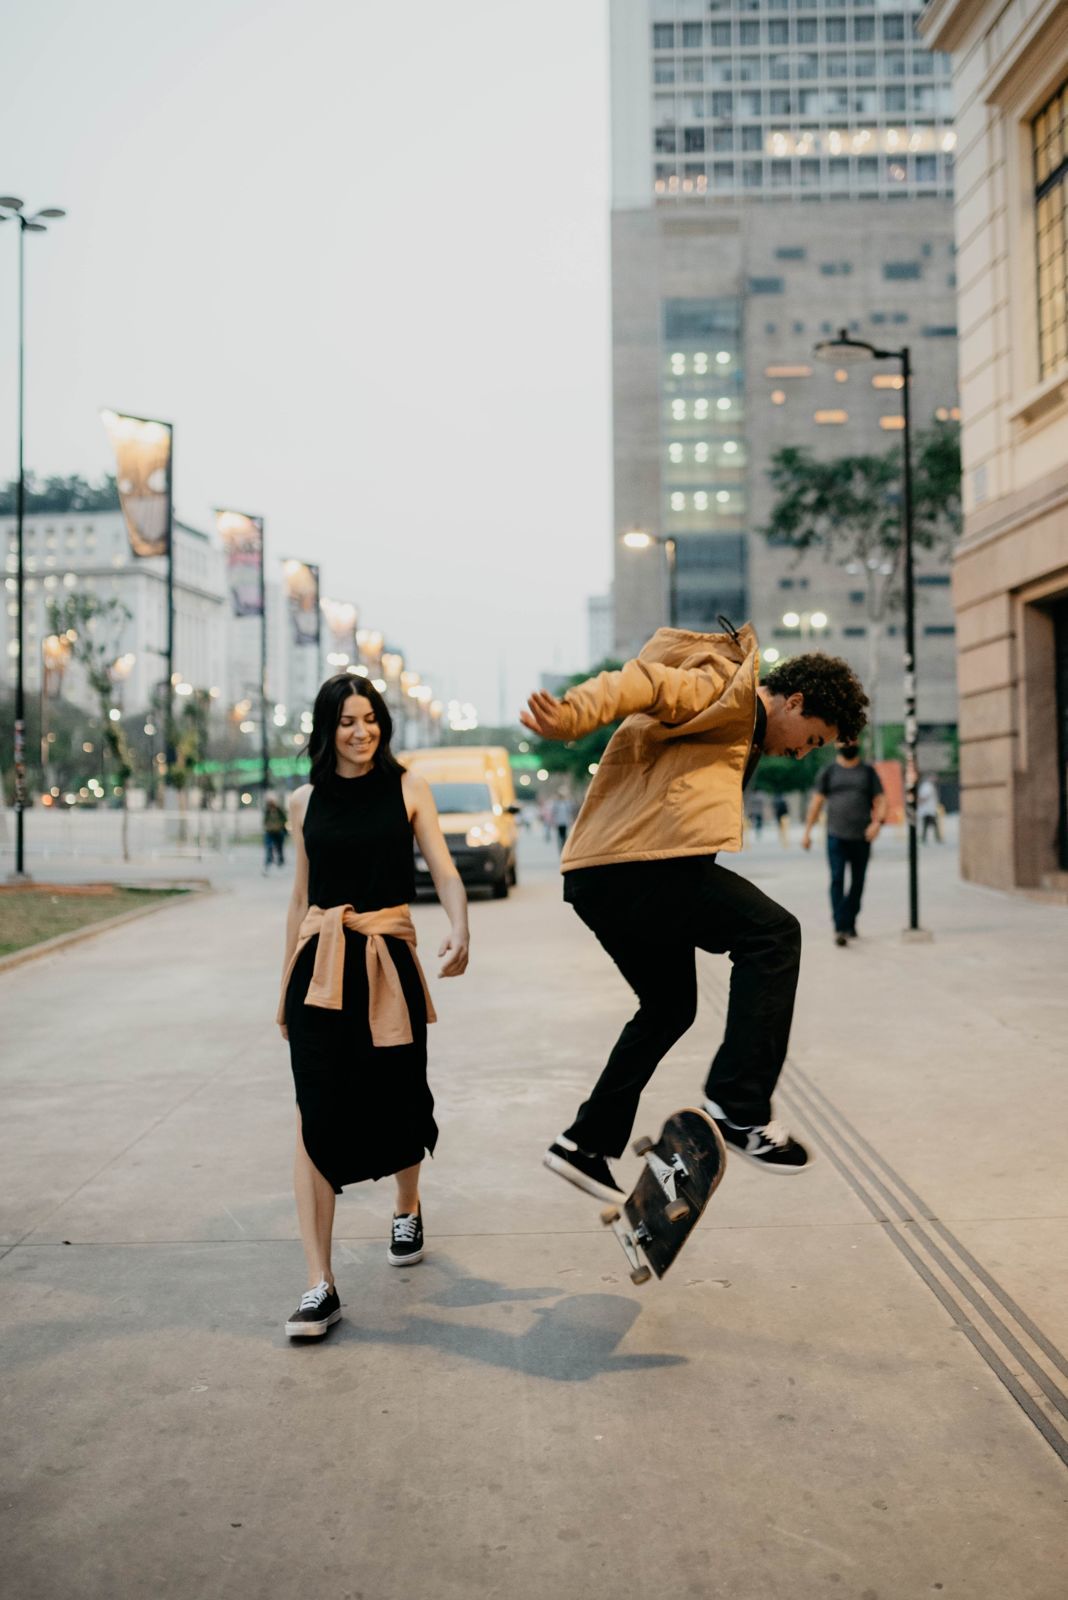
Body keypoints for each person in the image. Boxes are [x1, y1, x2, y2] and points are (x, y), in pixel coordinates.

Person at [521, 623, 869, 1199]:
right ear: (796, 701)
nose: (803, 752)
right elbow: (643, 681)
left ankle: (585, 1144)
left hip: (603, 876)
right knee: (774, 934)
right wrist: (573, 715)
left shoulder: (744, 730)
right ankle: (739, 1106)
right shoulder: (722, 690)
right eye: (811, 737)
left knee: (669, 1006)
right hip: (633, 869)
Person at [277, 675, 470, 1339]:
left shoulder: (409, 788)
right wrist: (284, 993)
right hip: (320, 972)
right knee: (314, 1114)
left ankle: (407, 1204)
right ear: (326, 729)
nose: (362, 733)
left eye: (371, 720)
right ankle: (319, 1284)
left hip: (387, 964)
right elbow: (300, 900)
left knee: (401, 1098)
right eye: (347, 722)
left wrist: (459, 920)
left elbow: (443, 869)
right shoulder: (303, 800)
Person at [801, 740, 887, 946]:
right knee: (837, 880)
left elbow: (881, 800)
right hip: (835, 836)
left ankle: (850, 920)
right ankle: (841, 927)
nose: (848, 743)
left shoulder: (868, 772)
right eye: (844, 740)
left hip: (862, 837)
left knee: (858, 882)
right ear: (837, 744)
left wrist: (877, 824)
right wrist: (807, 832)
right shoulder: (829, 771)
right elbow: (816, 803)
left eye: (852, 740)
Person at [263, 793, 288, 873]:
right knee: (269, 846)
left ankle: (280, 859)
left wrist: (280, 825)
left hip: (278, 831)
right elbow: (265, 821)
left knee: (279, 847)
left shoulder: (278, 810)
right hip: (270, 832)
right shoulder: (267, 811)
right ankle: (269, 860)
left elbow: (284, 819)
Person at [917, 775, 941, 843]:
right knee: (931, 825)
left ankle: (926, 838)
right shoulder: (927, 786)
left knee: (928, 825)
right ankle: (936, 838)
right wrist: (919, 802)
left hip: (929, 809)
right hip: (928, 810)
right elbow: (924, 797)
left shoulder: (928, 786)